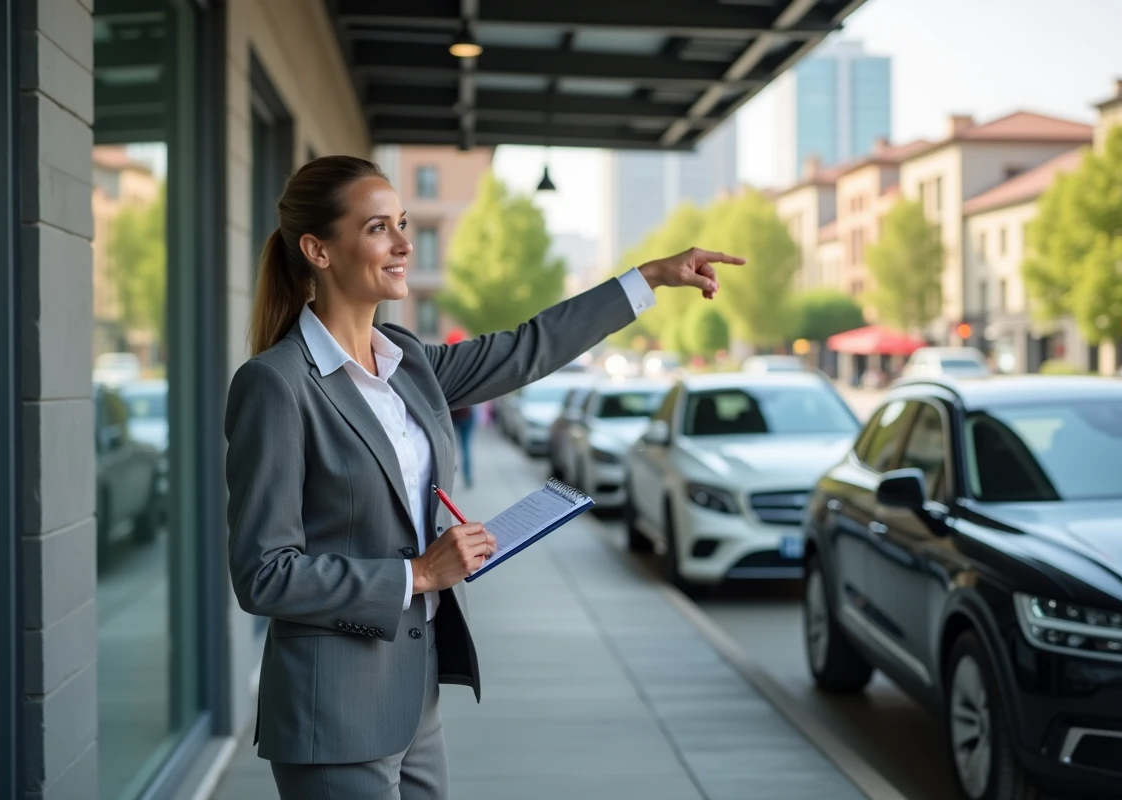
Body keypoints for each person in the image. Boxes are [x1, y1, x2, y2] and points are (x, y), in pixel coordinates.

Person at [224, 154, 744, 800]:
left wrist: (649, 279)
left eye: (404, 224)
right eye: (379, 227)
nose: (405, 244)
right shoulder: (276, 386)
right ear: (318, 251)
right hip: (333, 712)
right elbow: (262, 573)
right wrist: (417, 573)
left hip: (415, 695)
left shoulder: (406, 361)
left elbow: (529, 346)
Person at [449, 405, 474, 487]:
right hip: (466, 414)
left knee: (449, 447)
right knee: (465, 447)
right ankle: (467, 476)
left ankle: (447, 476)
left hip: (452, 415)